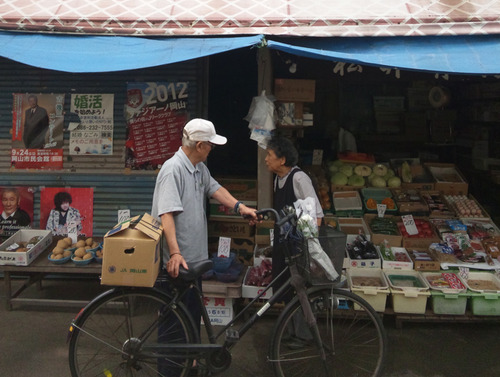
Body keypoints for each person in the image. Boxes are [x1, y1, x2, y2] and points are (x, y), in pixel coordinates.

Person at [151, 118, 257, 333]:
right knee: (174, 325)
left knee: (191, 318)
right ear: (199, 145)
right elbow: (166, 214)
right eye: (210, 145)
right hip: (178, 263)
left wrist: (240, 207)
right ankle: (171, 367)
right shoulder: (173, 170)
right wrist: (174, 254)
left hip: (195, 261)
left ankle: (191, 362)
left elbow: (215, 189)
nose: (212, 149)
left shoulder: (199, 168)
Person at [264, 135, 324, 348]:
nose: (266, 159)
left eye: (270, 155)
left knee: (300, 287)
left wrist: (309, 242)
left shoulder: (299, 179)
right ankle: (290, 331)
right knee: (286, 287)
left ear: (282, 160)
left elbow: (316, 213)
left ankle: (304, 335)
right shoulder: (278, 179)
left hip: (299, 244)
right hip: (285, 242)